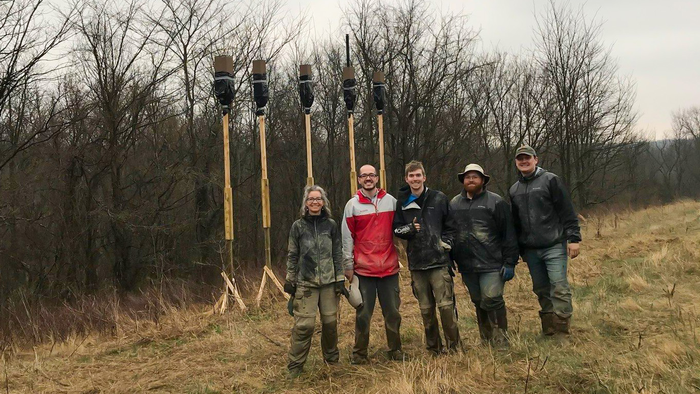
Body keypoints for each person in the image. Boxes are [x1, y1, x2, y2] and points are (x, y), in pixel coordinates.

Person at [509, 145, 582, 336]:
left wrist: (574, 238)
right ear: (516, 163)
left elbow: (567, 211)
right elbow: (516, 223)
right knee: (541, 289)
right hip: (531, 249)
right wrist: (519, 250)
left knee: (559, 286)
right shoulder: (514, 190)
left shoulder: (550, 180)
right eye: (520, 159)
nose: (524, 161)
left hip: (554, 244)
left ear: (536, 159)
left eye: (527, 158)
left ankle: (562, 331)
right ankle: (548, 329)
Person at [393, 160, 461, 354]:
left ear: (424, 177)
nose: (415, 179)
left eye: (418, 175)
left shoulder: (438, 198)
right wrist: (409, 229)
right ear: (406, 179)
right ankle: (433, 349)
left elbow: (452, 226)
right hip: (417, 264)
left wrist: (446, 242)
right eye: (411, 176)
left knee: (446, 307)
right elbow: (396, 229)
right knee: (426, 310)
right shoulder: (403, 203)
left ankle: (455, 348)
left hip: (439, 262)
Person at [449, 164, 519, 347]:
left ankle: (502, 339)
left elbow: (509, 234)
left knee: (492, 298)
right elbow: (450, 232)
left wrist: (510, 262)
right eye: (467, 177)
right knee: (478, 301)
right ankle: (486, 339)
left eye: (475, 177)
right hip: (467, 265)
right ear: (463, 181)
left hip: (492, 263)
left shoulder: (496, 202)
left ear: (483, 180)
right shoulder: (454, 203)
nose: (471, 180)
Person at [341, 164, 403, 364]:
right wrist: (348, 265)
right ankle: (359, 355)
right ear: (359, 180)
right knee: (363, 315)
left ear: (377, 178)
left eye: (371, 175)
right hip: (364, 271)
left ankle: (395, 351)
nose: (368, 179)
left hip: (389, 269)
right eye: (364, 176)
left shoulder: (391, 202)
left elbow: (401, 228)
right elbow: (347, 237)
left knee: (393, 314)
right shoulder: (352, 206)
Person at [284, 185, 345, 377]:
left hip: (328, 283)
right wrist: (290, 279)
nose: (315, 202)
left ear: (324, 202)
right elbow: (293, 255)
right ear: (306, 203)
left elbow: (337, 253)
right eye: (311, 199)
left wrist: (340, 278)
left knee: (330, 324)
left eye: (318, 199)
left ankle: (331, 360)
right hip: (305, 284)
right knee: (304, 326)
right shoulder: (298, 226)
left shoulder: (331, 225)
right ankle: (295, 366)